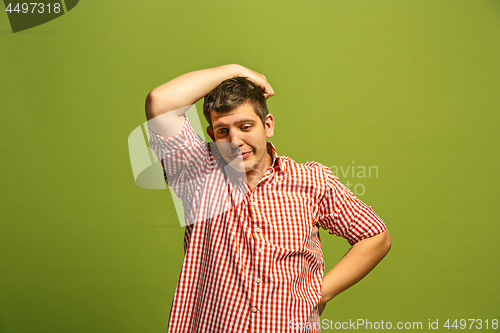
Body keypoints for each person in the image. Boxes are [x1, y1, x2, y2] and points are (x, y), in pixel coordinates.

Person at [145, 64, 392, 332]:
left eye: (245, 125)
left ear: (268, 125)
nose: (235, 140)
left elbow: (376, 236)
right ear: (212, 136)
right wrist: (236, 69)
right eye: (223, 131)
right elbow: (159, 101)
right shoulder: (197, 170)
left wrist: (321, 293)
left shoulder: (311, 181)